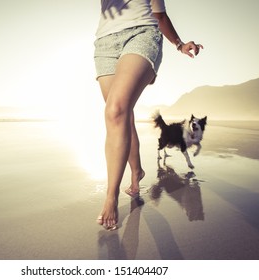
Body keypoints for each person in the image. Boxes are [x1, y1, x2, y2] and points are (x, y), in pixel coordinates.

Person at [94, 0, 203, 230]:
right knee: (122, 116)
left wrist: (179, 44)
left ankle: (110, 197)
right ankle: (137, 172)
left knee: (115, 111)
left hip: (141, 34)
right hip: (104, 44)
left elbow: (159, 15)